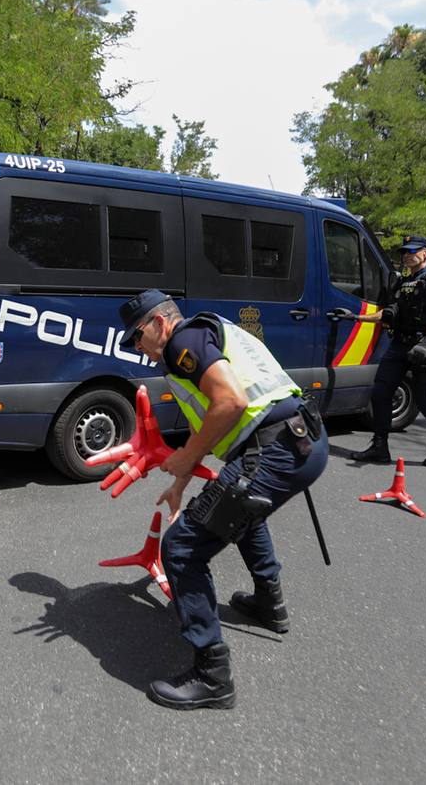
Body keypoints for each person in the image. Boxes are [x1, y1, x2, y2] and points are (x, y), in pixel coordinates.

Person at [118, 289, 329, 711]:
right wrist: (180, 480)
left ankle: (212, 675)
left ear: (159, 323)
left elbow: (229, 402)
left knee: (180, 549)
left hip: (276, 449)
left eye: (137, 337)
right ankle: (269, 604)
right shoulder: (210, 331)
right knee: (244, 514)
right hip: (300, 441)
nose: (137, 349)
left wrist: (185, 457)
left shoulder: (182, 341)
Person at [347, 235, 426, 467]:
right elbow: (388, 312)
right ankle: (379, 447)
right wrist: (357, 317)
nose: (407, 255)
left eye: (412, 251)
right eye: (404, 251)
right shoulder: (403, 283)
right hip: (398, 346)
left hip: (422, 349)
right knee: (380, 393)